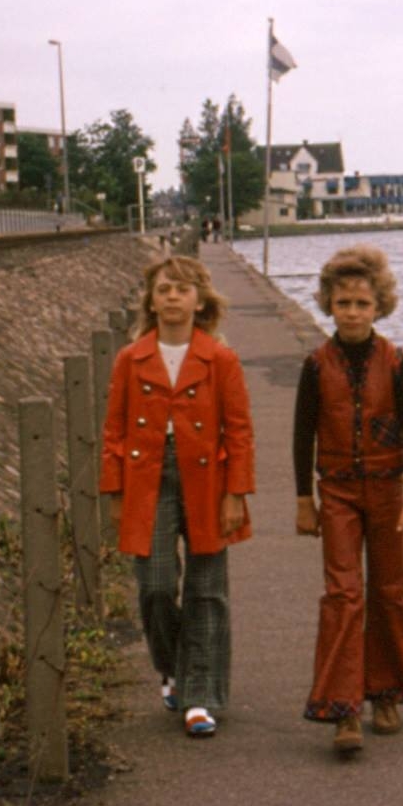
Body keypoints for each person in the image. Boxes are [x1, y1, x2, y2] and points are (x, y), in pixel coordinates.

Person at [100, 257, 255, 738]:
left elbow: (241, 431)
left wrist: (236, 493)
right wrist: (114, 491)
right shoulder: (131, 358)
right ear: (150, 299)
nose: (172, 297)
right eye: (164, 289)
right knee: (156, 586)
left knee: (208, 590)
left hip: (208, 479)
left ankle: (199, 697)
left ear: (200, 300)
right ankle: (172, 668)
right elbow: (113, 431)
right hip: (149, 477)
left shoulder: (220, 358)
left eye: (182, 289)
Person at [294, 245, 403, 755]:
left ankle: (386, 692)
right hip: (337, 491)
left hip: (386, 489)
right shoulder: (314, 365)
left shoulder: (395, 363)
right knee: (343, 594)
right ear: (328, 304)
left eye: (362, 304)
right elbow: (300, 435)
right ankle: (343, 708)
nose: (352, 312)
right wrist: (303, 499)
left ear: (379, 307)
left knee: (389, 591)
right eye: (343, 303)